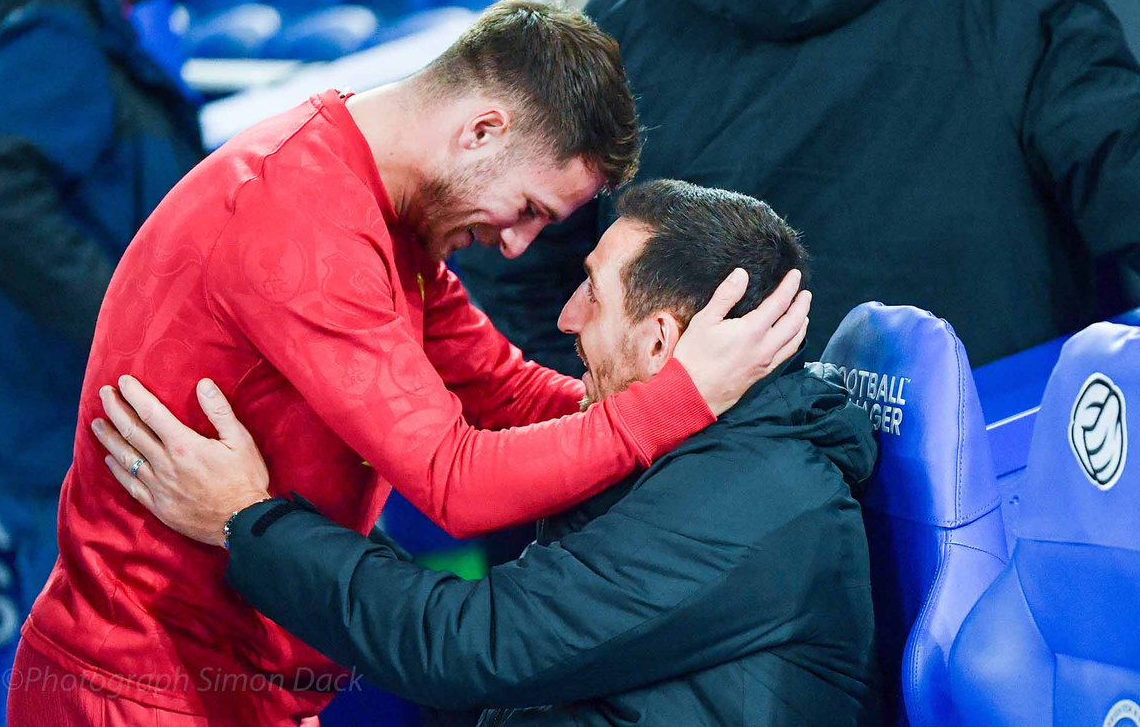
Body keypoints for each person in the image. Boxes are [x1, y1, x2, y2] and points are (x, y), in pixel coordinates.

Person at [7, 1, 811, 727]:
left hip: (232, 684)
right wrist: (675, 401)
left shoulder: (385, 211)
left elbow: (502, 390)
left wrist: (709, 411)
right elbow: (456, 481)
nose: (517, 243)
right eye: (528, 208)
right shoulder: (300, 218)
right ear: (483, 130)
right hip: (139, 689)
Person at [92, 180, 879, 726]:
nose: (567, 318)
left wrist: (247, 520)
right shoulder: (712, 454)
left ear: (661, 340)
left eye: (592, 292)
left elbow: (472, 644)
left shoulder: (750, 499)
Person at [460, 0, 1140, 373]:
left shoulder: (610, 35)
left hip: (736, 553)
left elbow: (510, 257)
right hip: (1017, 507)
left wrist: (621, 405)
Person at [0, 0, 205, 607]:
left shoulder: (37, 19)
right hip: (58, 424)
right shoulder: (52, 28)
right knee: (75, 678)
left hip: (37, 417)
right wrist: (130, 326)